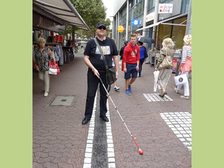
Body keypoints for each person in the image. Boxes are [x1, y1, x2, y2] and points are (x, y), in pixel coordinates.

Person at [82, 23, 119, 125]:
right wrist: (93, 68)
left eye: (104, 28)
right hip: (93, 73)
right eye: (100, 28)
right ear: (96, 30)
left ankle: (103, 114)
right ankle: (87, 116)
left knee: (104, 95)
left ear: (106, 31)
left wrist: (116, 71)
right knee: (90, 95)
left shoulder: (111, 42)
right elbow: (86, 57)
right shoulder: (91, 42)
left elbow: (115, 57)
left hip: (106, 73)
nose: (102, 29)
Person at [175, 34, 192, 99]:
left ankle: (186, 94)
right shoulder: (192, 47)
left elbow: (184, 57)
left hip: (186, 64)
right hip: (191, 63)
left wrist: (181, 65)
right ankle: (177, 89)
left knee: (185, 79)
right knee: (183, 76)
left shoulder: (185, 47)